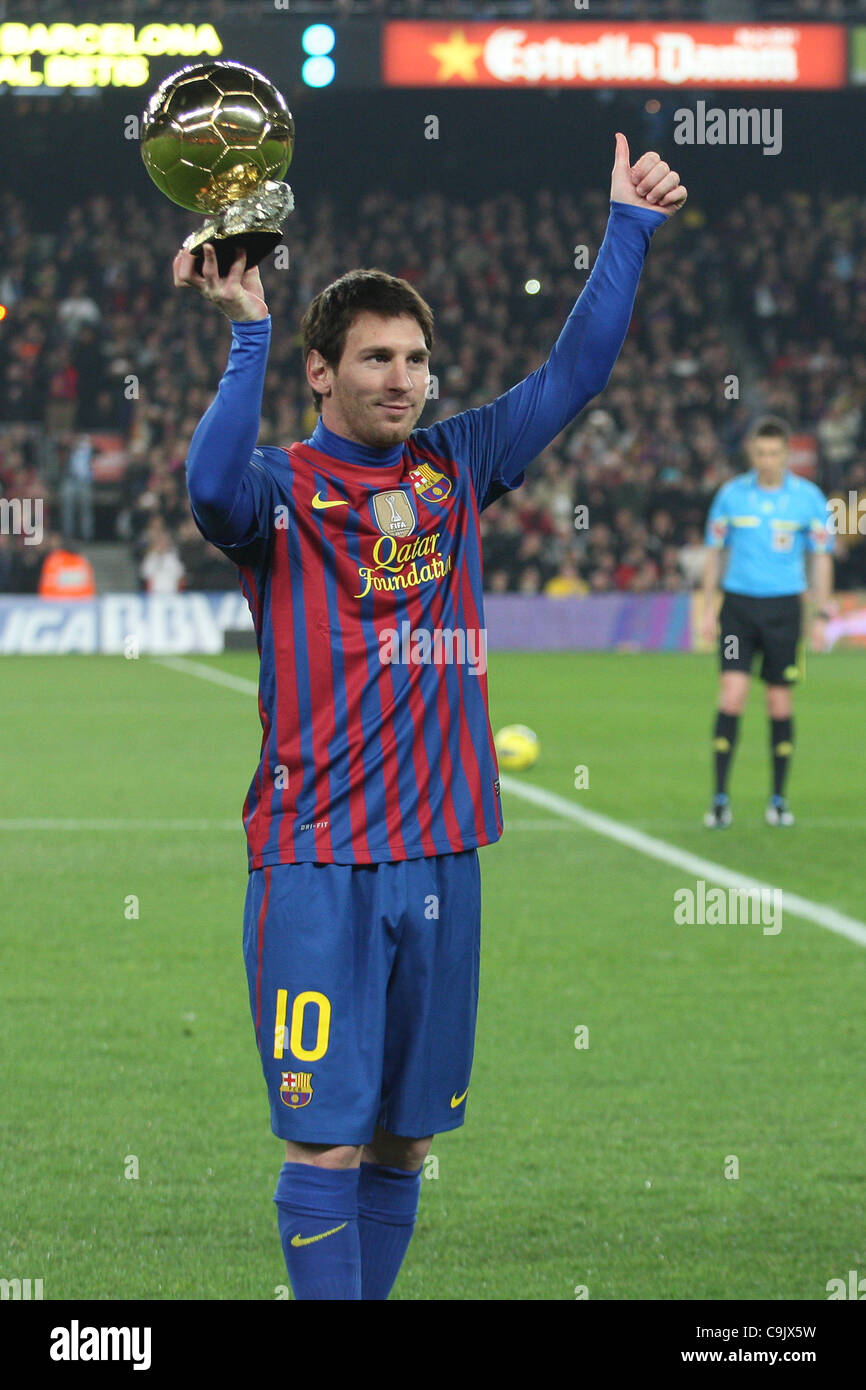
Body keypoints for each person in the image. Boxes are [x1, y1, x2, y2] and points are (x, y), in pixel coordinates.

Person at [177, 134, 686, 1301]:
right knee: (324, 1140)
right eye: (373, 359)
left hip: (441, 855)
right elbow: (207, 489)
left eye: (414, 358)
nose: (402, 379)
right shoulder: (281, 493)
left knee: (406, 1140)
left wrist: (624, 230)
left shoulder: (454, 468)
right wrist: (246, 329)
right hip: (314, 861)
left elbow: (573, 377)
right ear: (321, 372)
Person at [700, 417, 834, 828]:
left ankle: (778, 800)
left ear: (787, 454)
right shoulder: (730, 496)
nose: (767, 460)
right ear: (751, 454)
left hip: (784, 612)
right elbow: (714, 552)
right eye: (761, 452)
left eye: (775, 453)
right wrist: (708, 609)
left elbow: (820, 556)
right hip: (738, 609)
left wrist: (821, 612)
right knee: (732, 695)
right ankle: (720, 799)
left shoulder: (808, 498)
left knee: (779, 703)